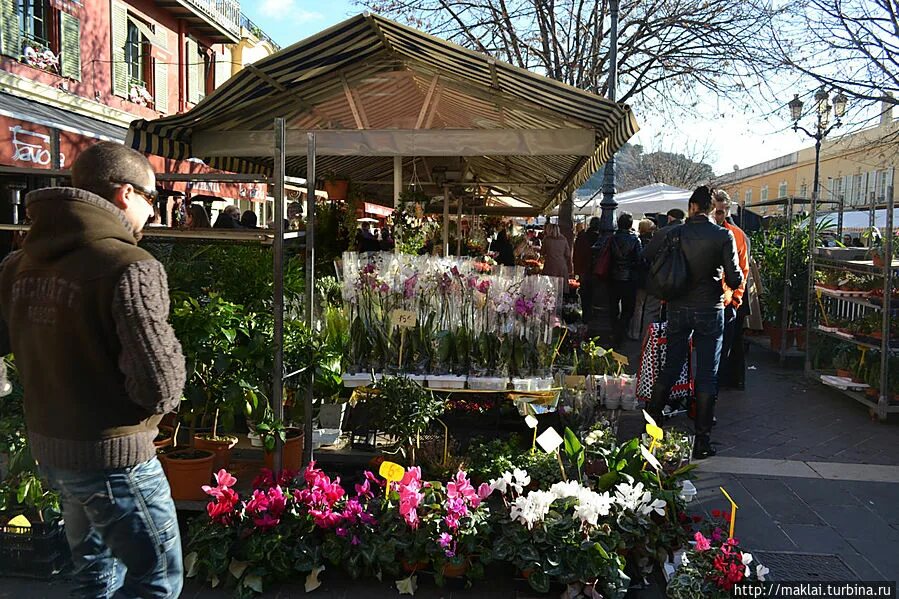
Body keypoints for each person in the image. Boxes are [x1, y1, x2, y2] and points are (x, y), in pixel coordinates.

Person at [0, 141, 186, 597]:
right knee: (157, 580)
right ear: (126, 194)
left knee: (94, 576)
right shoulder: (130, 266)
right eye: (153, 199)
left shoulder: (18, 265)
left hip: (56, 449)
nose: (153, 213)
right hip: (117, 456)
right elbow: (160, 386)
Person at [643, 185, 743, 459]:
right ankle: (702, 439)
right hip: (710, 308)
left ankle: (652, 421)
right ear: (712, 209)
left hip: (678, 307)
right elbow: (734, 279)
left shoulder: (675, 233)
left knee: (673, 365)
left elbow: (650, 259)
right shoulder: (723, 235)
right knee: (707, 373)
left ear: (691, 206)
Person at [713, 189, 751, 390]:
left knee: (724, 348)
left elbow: (743, 270)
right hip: (704, 301)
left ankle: (714, 391)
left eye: (722, 212)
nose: (719, 216)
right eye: (716, 211)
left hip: (727, 301)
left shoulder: (737, 235)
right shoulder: (704, 232)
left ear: (727, 210)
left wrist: (736, 299)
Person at [608, 212, 642, 347]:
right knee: (628, 309)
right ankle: (620, 333)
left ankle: (615, 331)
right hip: (629, 278)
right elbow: (639, 259)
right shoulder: (635, 240)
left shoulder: (612, 238)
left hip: (613, 277)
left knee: (613, 307)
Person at [573, 217, 601, 322]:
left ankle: (585, 317)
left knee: (585, 296)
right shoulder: (601, 238)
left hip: (584, 272)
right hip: (596, 273)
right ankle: (591, 319)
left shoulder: (582, 237)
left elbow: (576, 255)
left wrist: (577, 272)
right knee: (594, 297)